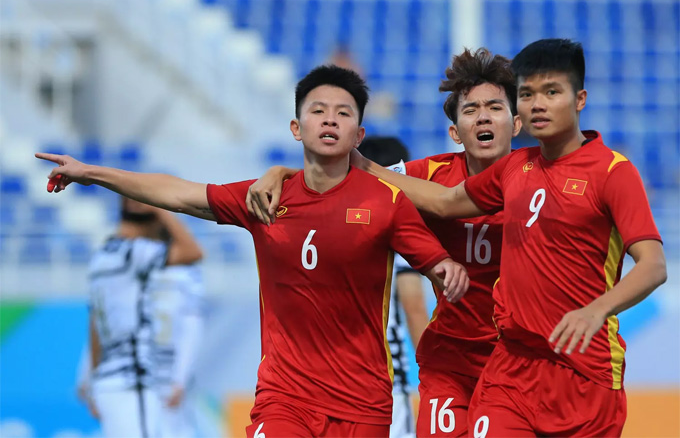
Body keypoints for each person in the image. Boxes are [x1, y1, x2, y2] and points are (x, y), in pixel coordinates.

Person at [36, 65, 469, 438]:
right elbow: (179, 194)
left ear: (358, 133)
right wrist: (91, 172)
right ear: (297, 127)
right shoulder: (265, 199)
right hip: (285, 398)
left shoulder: (385, 202)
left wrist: (449, 270)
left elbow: (438, 266)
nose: (329, 120)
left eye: (343, 113)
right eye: (317, 111)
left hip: (363, 403)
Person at [346, 39, 666, 437]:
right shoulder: (505, 170)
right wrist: (342, 166)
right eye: (528, 94)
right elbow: (444, 201)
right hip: (496, 365)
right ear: (455, 130)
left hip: (581, 369)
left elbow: (653, 264)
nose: (537, 104)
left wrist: (595, 310)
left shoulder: (608, 172)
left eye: (550, 93)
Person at [247, 48, 521, 437]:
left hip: (518, 359)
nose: (483, 117)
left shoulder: (538, 179)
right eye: (470, 109)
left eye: (494, 107)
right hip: (451, 362)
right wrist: (279, 174)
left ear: (518, 122)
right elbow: (340, 176)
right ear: (454, 131)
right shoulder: (425, 175)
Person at [78, 198, 203, 438]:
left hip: (109, 381)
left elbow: (95, 326)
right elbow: (193, 251)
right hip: (131, 382)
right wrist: (160, 206)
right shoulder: (134, 253)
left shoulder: (100, 258)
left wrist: (92, 379)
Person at [357, 136, 429, 438]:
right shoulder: (395, 232)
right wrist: (435, 381)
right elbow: (414, 313)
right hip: (387, 391)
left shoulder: (344, 229)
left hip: (338, 388)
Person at [147, 262, 205, 438]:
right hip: (168, 371)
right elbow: (192, 328)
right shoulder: (186, 275)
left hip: (150, 370)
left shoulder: (142, 269)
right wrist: (181, 378)